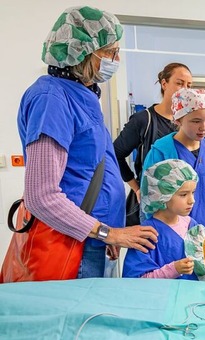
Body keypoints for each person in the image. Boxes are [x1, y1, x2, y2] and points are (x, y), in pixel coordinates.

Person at [17, 5, 158, 279]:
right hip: (71, 245)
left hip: (93, 240)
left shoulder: (82, 94)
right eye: (108, 52)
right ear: (79, 51)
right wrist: (110, 232)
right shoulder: (52, 99)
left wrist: (109, 231)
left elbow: (90, 169)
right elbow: (41, 196)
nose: (115, 59)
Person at [143, 88, 205, 282]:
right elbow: (150, 198)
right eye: (195, 121)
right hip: (172, 240)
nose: (203, 127)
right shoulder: (162, 151)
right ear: (178, 120)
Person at [114, 63, 193, 225]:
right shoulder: (144, 120)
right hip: (152, 205)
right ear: (164, 84)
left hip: (182, 206)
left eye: (189, 85)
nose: (185, 89)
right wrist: (136, 187)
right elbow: (116, 154)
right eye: (179, 83)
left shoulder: (190, 122)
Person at [123, 159, 205, 279]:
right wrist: (173, 270)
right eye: (183, 194)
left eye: (193, 193)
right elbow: (137, 281)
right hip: (164, 296)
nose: (192, 200)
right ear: (161, 195)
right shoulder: (146, 235)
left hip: (194, 295)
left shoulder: (192, 225)